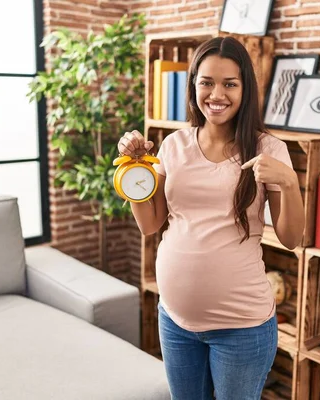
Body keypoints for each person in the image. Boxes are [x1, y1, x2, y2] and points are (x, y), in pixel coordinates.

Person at [117, 36, 305, 400]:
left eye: (229, 84)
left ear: (244, 89)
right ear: (194, 85)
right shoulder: (173, 145)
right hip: (175, 320)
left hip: (242, 328)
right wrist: (134, 168)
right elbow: (150, 224)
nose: (216, 94)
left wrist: (290, 182)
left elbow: (291, 237)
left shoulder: (270, 149)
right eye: (207, 82)